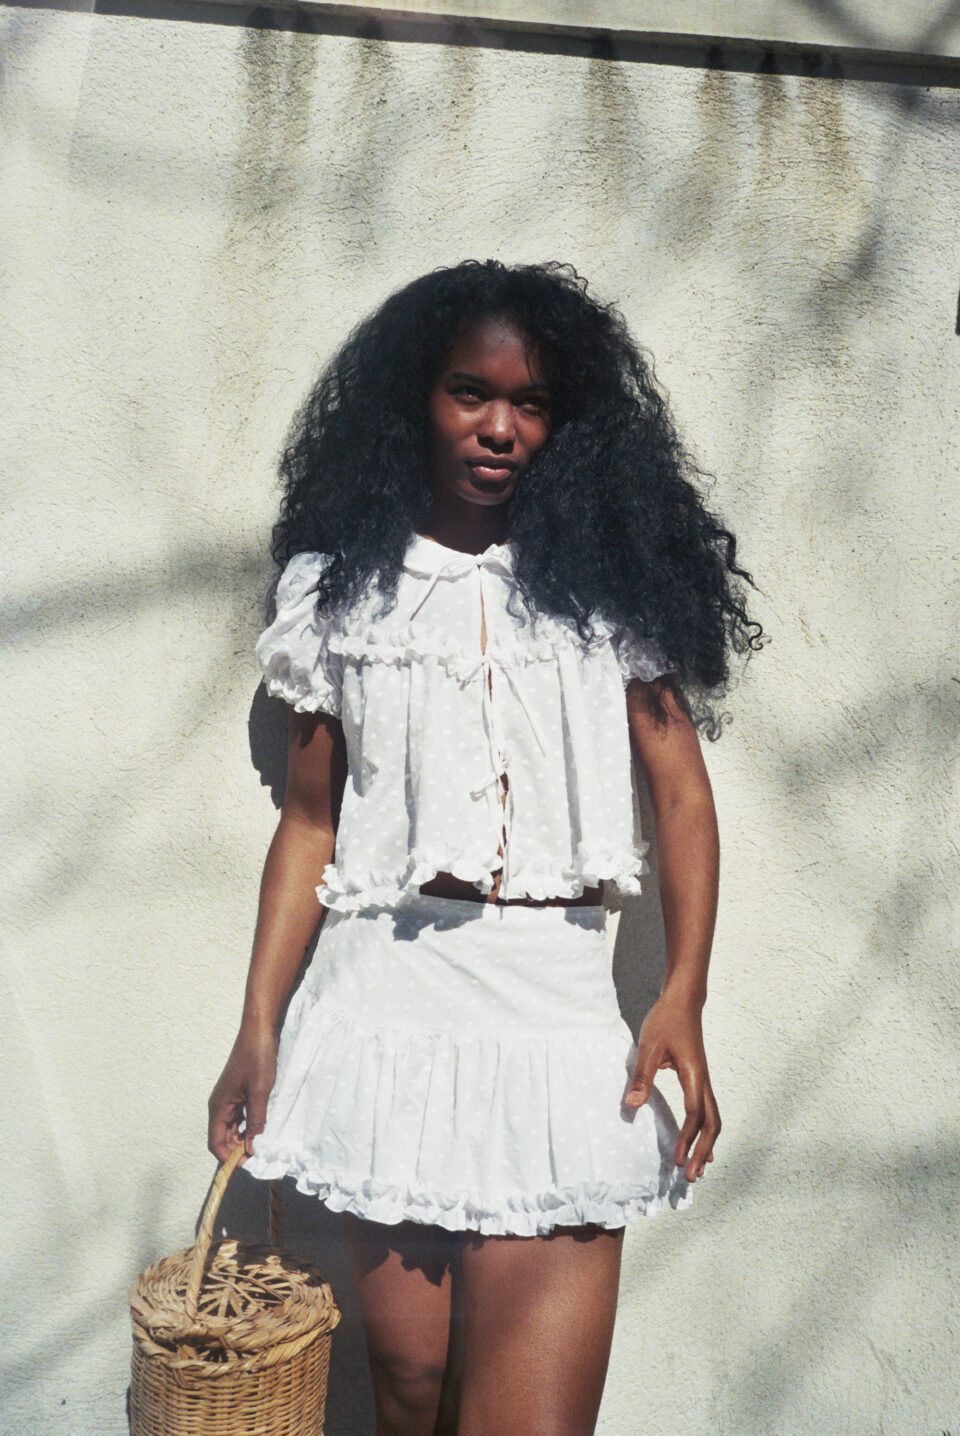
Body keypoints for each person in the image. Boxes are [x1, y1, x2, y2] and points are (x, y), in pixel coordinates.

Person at [207, 259, 762, 1436]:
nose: (500, 426)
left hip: (552, 1016)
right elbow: (310, 821)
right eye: (471, 392)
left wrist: (683, 993)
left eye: (532, 402)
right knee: (408, 1391)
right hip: (382, 1010)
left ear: (566, 423)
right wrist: (258, 1024)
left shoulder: (609, 590)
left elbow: (683, 797)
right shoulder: (336, 593)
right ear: (419, 397)